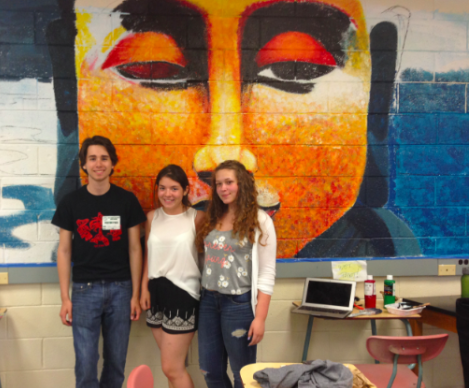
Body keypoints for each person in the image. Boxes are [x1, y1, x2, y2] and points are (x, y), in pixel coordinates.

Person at [46, 0, 419, 260]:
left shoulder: (388, 246)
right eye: (153, 68)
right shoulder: (110, 224)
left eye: (295, 68)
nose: (224, 152)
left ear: (377, 94)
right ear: (70, 93)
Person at [52, 135, 147, 388]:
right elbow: (64, 251)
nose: (98, 164)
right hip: (84, 291)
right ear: (83, 164)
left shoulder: (126, 201)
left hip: (121, 290)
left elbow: (136, 248)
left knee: (116, 362)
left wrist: (134, 293)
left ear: (113, 163)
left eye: (104, 158)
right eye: (92, 158)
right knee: (86, 363)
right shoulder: (71, 203)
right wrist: (65, 297)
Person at [195, 160, 277, 388]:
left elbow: (267, 273)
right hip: (208, 302)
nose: (223, 188)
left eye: (228, 182)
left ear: (241, 183)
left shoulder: (260, 220)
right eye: (218, 183)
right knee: (210, 369)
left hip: (240, 306)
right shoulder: (212, 217)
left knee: (242, 372)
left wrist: (260, 317)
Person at [139, 165, 206, 388]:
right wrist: (143, 288)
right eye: (163, 188)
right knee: (170, 367)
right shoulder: (152, 217)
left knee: (172, 366)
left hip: (184, 294)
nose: (167, 194)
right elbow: (147, 255)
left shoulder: (198, 218)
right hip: (156, 293)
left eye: (174, 188)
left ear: (185, 191)